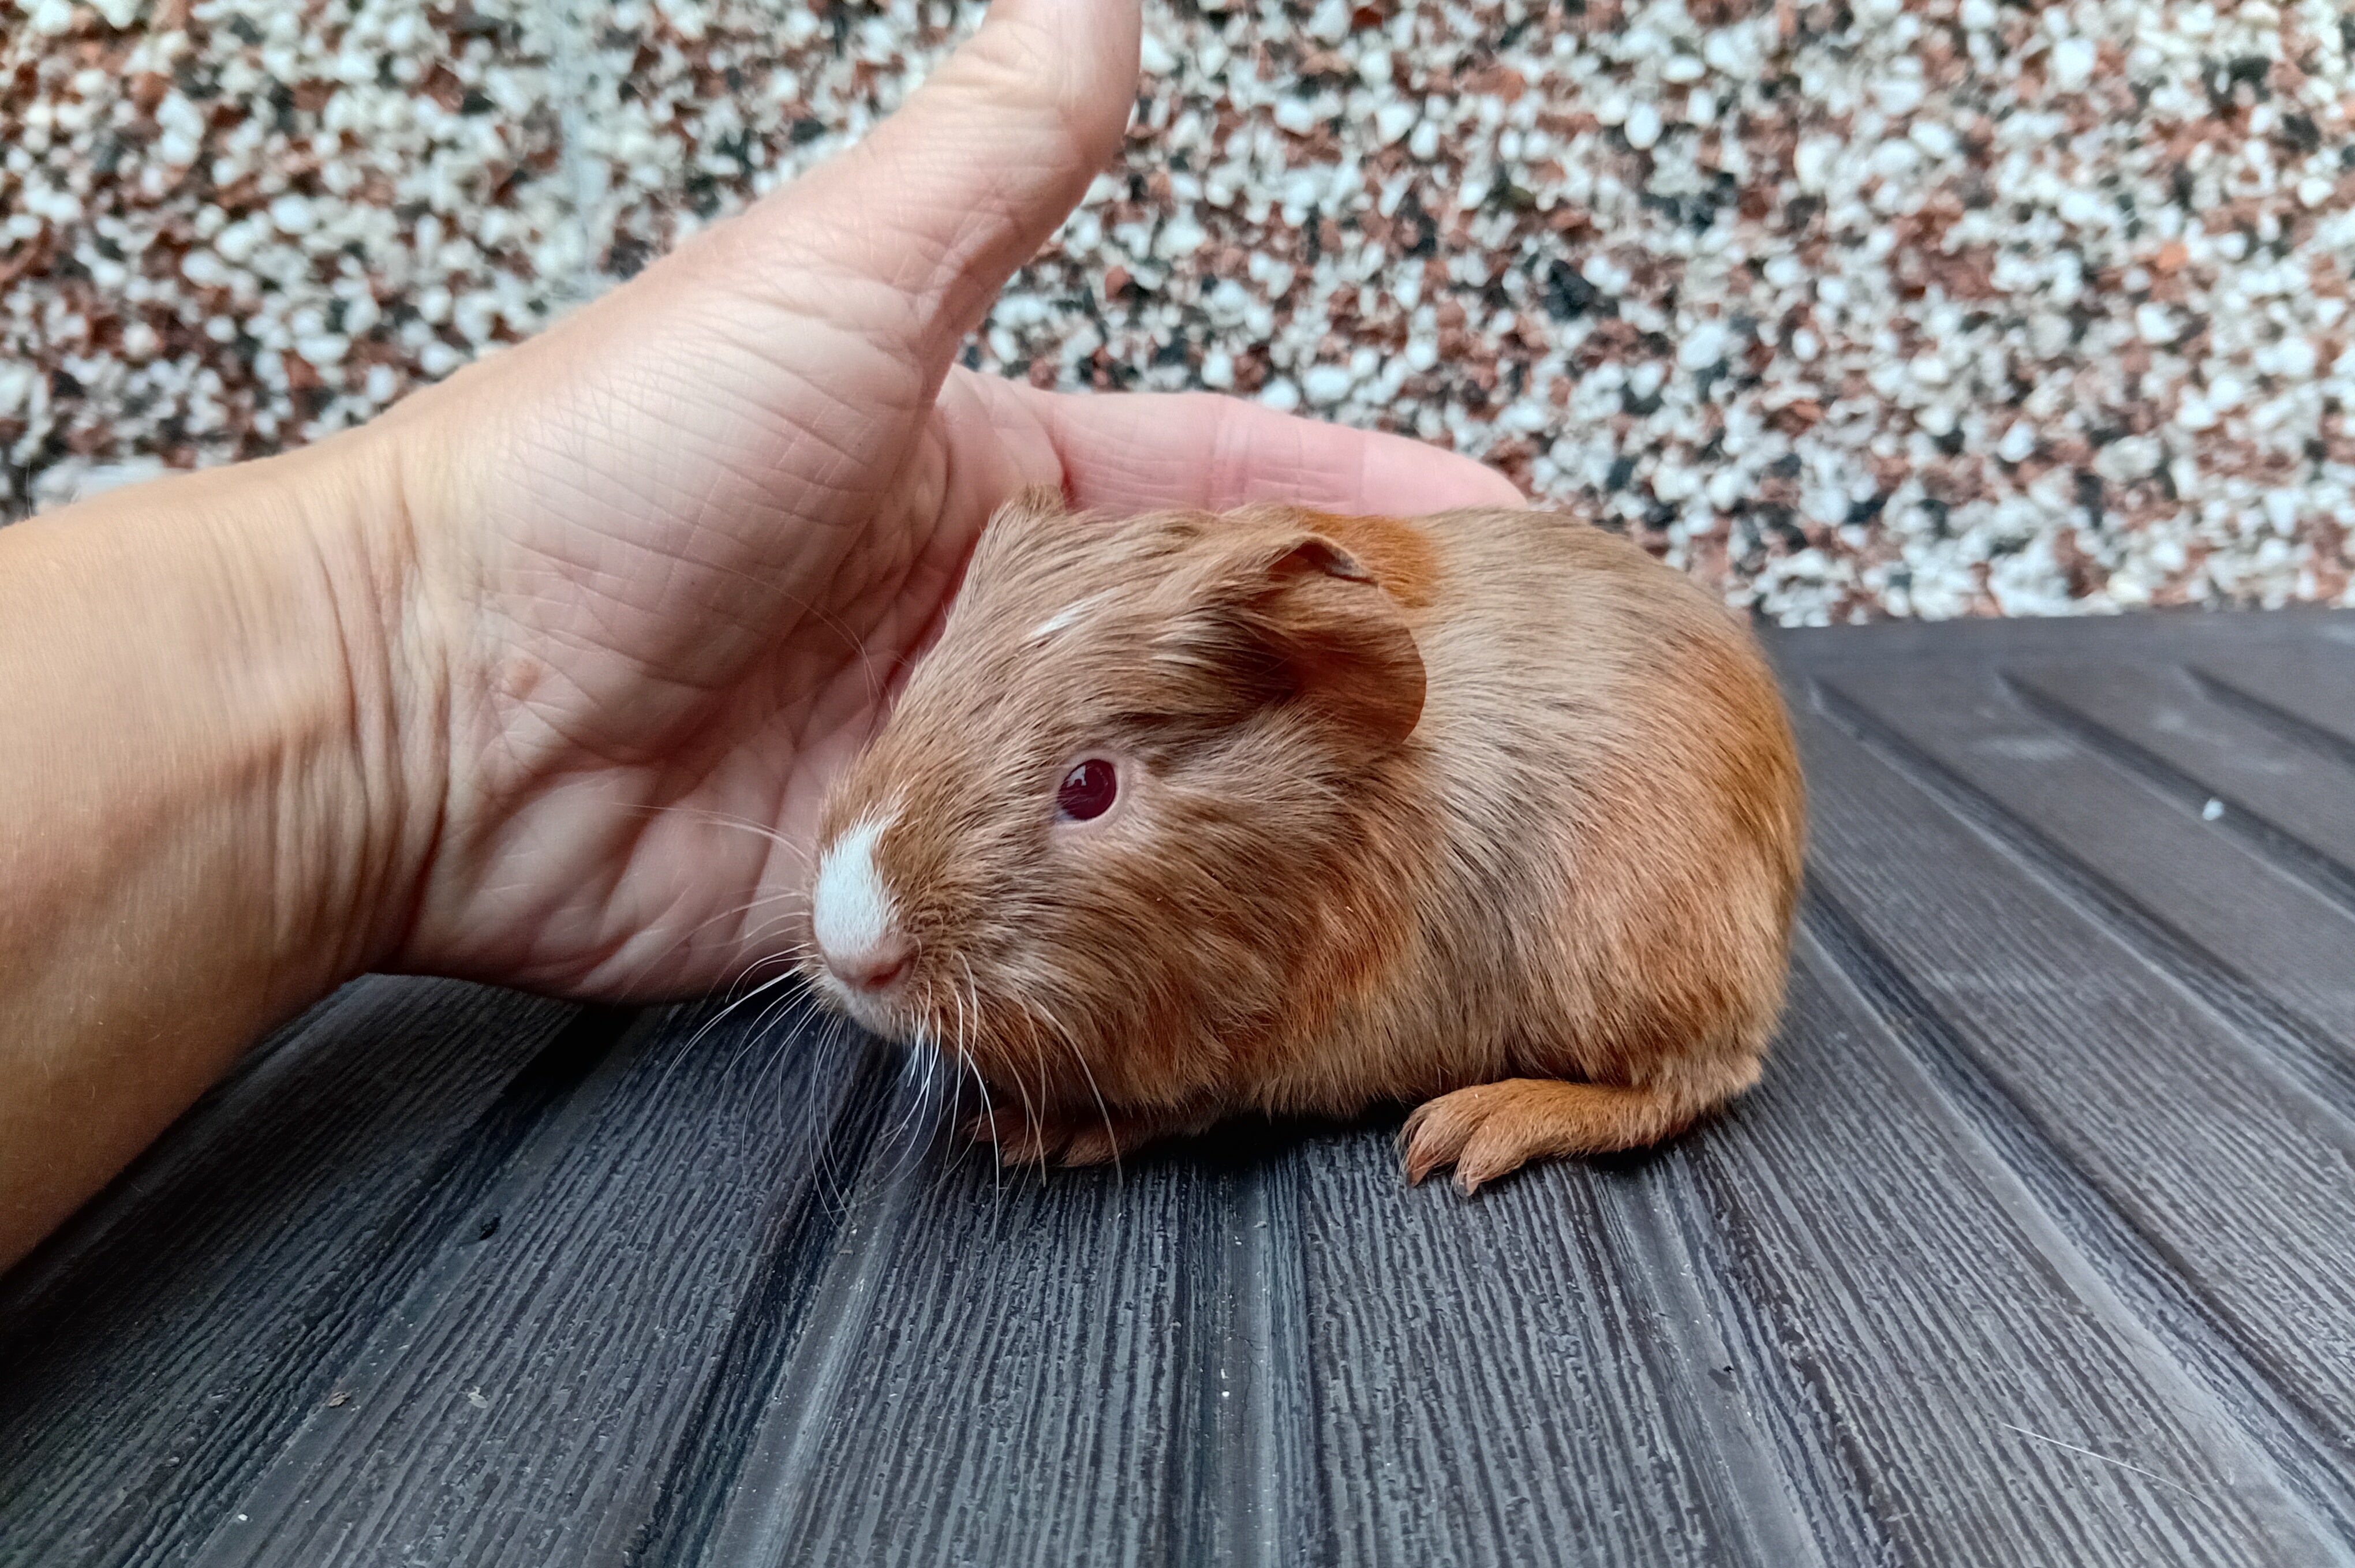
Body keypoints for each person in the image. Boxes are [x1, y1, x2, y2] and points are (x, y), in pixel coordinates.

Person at [0, 0, 1518, 1271]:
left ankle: (1656, 1077)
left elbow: (1271, 1037)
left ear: (1334, 702)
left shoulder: (1368, 841)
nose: (847, 924)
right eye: (922, 691)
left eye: (1091, 789)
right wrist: (411, 665)